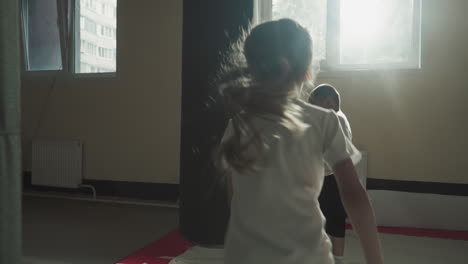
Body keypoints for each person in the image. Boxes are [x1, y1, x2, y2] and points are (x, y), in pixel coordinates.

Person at [217, 18, 383, 264]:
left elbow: (235, 194)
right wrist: (375, 259)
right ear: (307, 71)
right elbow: (353, 194)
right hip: (308, 257)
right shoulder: (324, 120)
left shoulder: (238, 125)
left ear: (251, 68)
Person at [310, 84, 353, 264]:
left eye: (314, 105)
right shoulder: (338, 117)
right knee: (332, 221)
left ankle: (337, 260)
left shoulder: (335, 119)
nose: (312, 110)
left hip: (330, 178)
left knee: (332, 221)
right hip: (332, 176)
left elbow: (324, 152)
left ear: (328, 101)